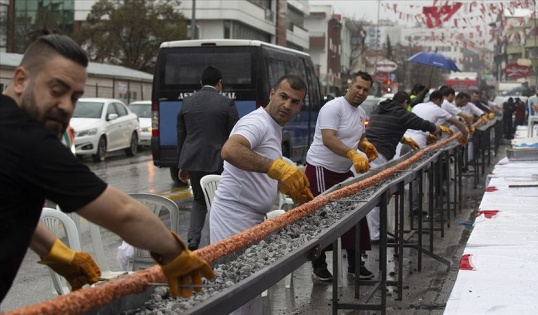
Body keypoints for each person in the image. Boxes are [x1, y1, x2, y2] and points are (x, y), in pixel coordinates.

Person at [0, 30, 213, 303]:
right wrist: (175, 254)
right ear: (20, 80)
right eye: (56, 90)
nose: (66, 106)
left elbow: (14, 208)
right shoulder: (27, 140)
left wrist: (55, 253)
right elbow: (123, 213)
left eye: (75, 98)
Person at [209, 74, 313, 314]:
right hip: (234, 217)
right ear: (272, 94)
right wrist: (274, 168)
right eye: (284, 97)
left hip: (251, 217)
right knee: (235, 293)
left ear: (300, 106)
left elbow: (257, 169)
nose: (287, 105)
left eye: (295, 102)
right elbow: (230, 150)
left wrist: (285, 186)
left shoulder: (273, 127)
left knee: (251, 291)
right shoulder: (257, 122)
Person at [304, 71, 379, 281]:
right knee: (322, 217)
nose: (361, 92)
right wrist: (352, 153)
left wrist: (364, 144)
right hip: (321, 168)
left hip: (342, 171)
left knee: (355, 213)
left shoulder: (361, 112)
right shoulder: (333, 108)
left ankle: (355, 264)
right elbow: (328, 139)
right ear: (350, 85)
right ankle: (319, 266)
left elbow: (359, 135)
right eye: (358, 87)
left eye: (366, 90)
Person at [364, 91, 452, 242]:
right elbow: (423, 124)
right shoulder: (401, 113)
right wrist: (438, 129)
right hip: (377, 154)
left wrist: (405, 140)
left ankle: (373, 233)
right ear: (405, 102)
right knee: (376, 196)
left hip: (366, 151)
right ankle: (374, 235)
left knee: (371, 194)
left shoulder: (381, 109)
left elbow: (389, 129)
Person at [176, 65, 239, 251]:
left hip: (194, 161)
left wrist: (182, 163)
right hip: (219, 161)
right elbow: (235, 134)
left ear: (201, 83)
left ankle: (193, 240)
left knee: (199, 200)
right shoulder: (226, 104)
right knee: (220, 201)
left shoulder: (187, 103)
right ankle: (219, 242)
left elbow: (182, 135)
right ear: (219, 83)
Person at [400, 90, 469, 216]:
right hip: (418, 145)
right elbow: (458, 123)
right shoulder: (438, 109)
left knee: (406, 177)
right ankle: (415, 209)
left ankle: (410, 205)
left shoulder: (417, 106)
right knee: (417, 177)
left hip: (405, 141)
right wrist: (466, 134)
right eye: (441, 102)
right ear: (438, 100)